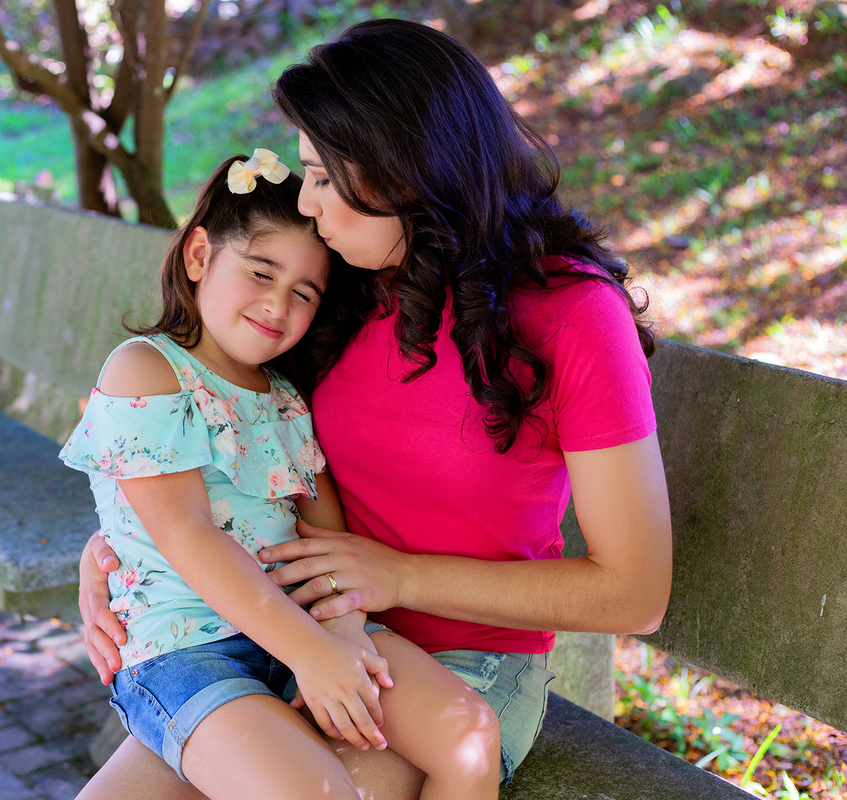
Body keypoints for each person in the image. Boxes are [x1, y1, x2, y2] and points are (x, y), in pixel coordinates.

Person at [77, 18, 673, 800]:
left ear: (406, 171)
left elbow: (634, 592)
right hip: (279, 631)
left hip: (460, 662)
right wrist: (119, 544)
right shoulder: (344, 290)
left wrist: (398, 578)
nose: (312, 205)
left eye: (326, 177)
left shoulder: (570, 314)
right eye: (307, 173)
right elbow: (233, 436)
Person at [62, 150, 507, 800]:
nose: (277, 305)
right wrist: (311, 652)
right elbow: (189, 536)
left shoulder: (284, 397)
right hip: (187, 653)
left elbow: (323, 536)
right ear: (198, 257)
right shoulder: (145, 370)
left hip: (302, 630)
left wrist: (345, 633)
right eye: (261, 273)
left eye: (303, 293)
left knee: (468, 734)